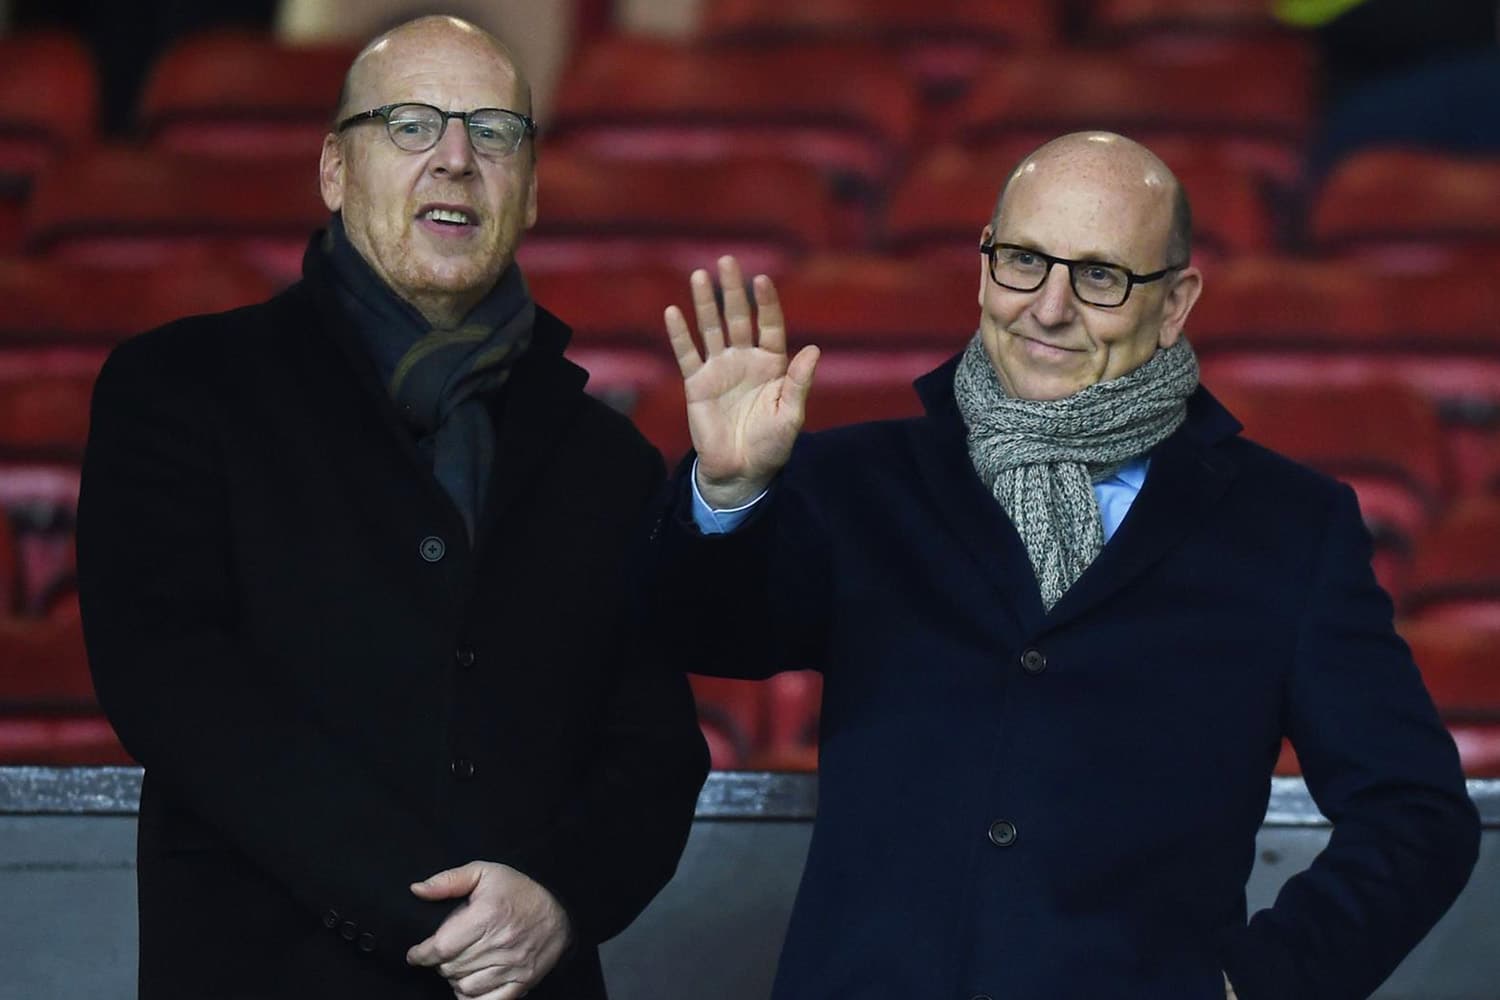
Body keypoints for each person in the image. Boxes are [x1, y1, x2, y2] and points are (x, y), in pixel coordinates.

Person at [651, 131, 1479, 999]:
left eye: (1099, 276)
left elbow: (1416, 814)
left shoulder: (1289, 527)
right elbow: (701, 633)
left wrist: (1257, 984)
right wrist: (729, 488)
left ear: (1175, 302)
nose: (1048, 309)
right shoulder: (858, 481)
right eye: (1024, 261)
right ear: (983, 267)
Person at [76, 15, 707, 1000]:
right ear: (334, 170)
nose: (456, 158)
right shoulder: (181, 388)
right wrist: (435, 913)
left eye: (494, 132)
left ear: (531, 190)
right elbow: (172, 681)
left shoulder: (609, 459)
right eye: (410, 125)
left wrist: (558, 900)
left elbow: (655, 754)